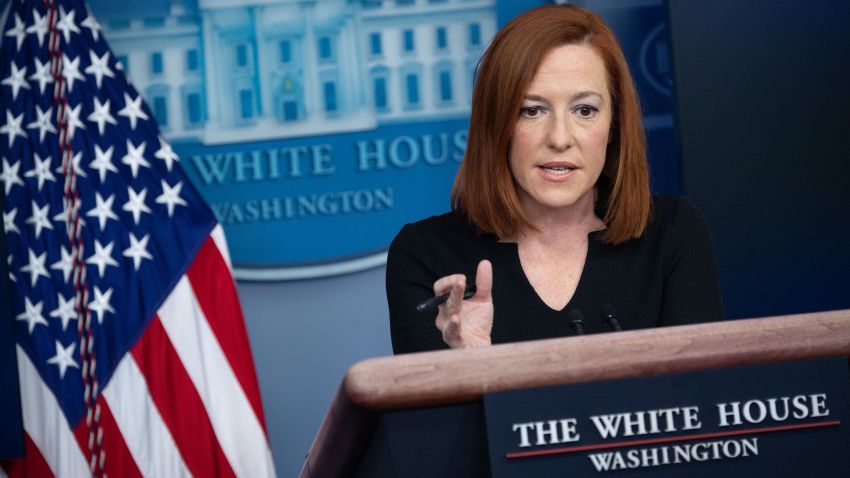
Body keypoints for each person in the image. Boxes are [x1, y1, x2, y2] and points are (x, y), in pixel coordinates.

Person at [386, 4, 723, 354]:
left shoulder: (673, 232)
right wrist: (472, 364)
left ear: (614, 125)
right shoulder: (424, 254)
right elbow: (428, 410)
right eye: (532, 110)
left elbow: (701, 399)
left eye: (585, 110)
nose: (560, 138)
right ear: (497, 125)